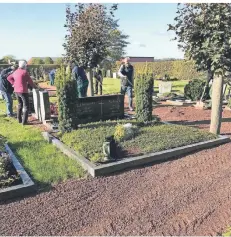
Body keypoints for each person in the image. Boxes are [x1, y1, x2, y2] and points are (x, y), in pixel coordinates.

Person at [7, 60, 37, 125]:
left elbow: (9, 78)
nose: (26, 67)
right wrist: (35, 87)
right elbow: (30, 81)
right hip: (23, 91)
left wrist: (13, 84)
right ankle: (24, 122)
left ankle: (19, 119)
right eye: (26, 65)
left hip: (16, 91)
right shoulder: (24, 72)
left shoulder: (15, 72)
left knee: (20, 104)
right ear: (24, 66)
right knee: (26, 106)